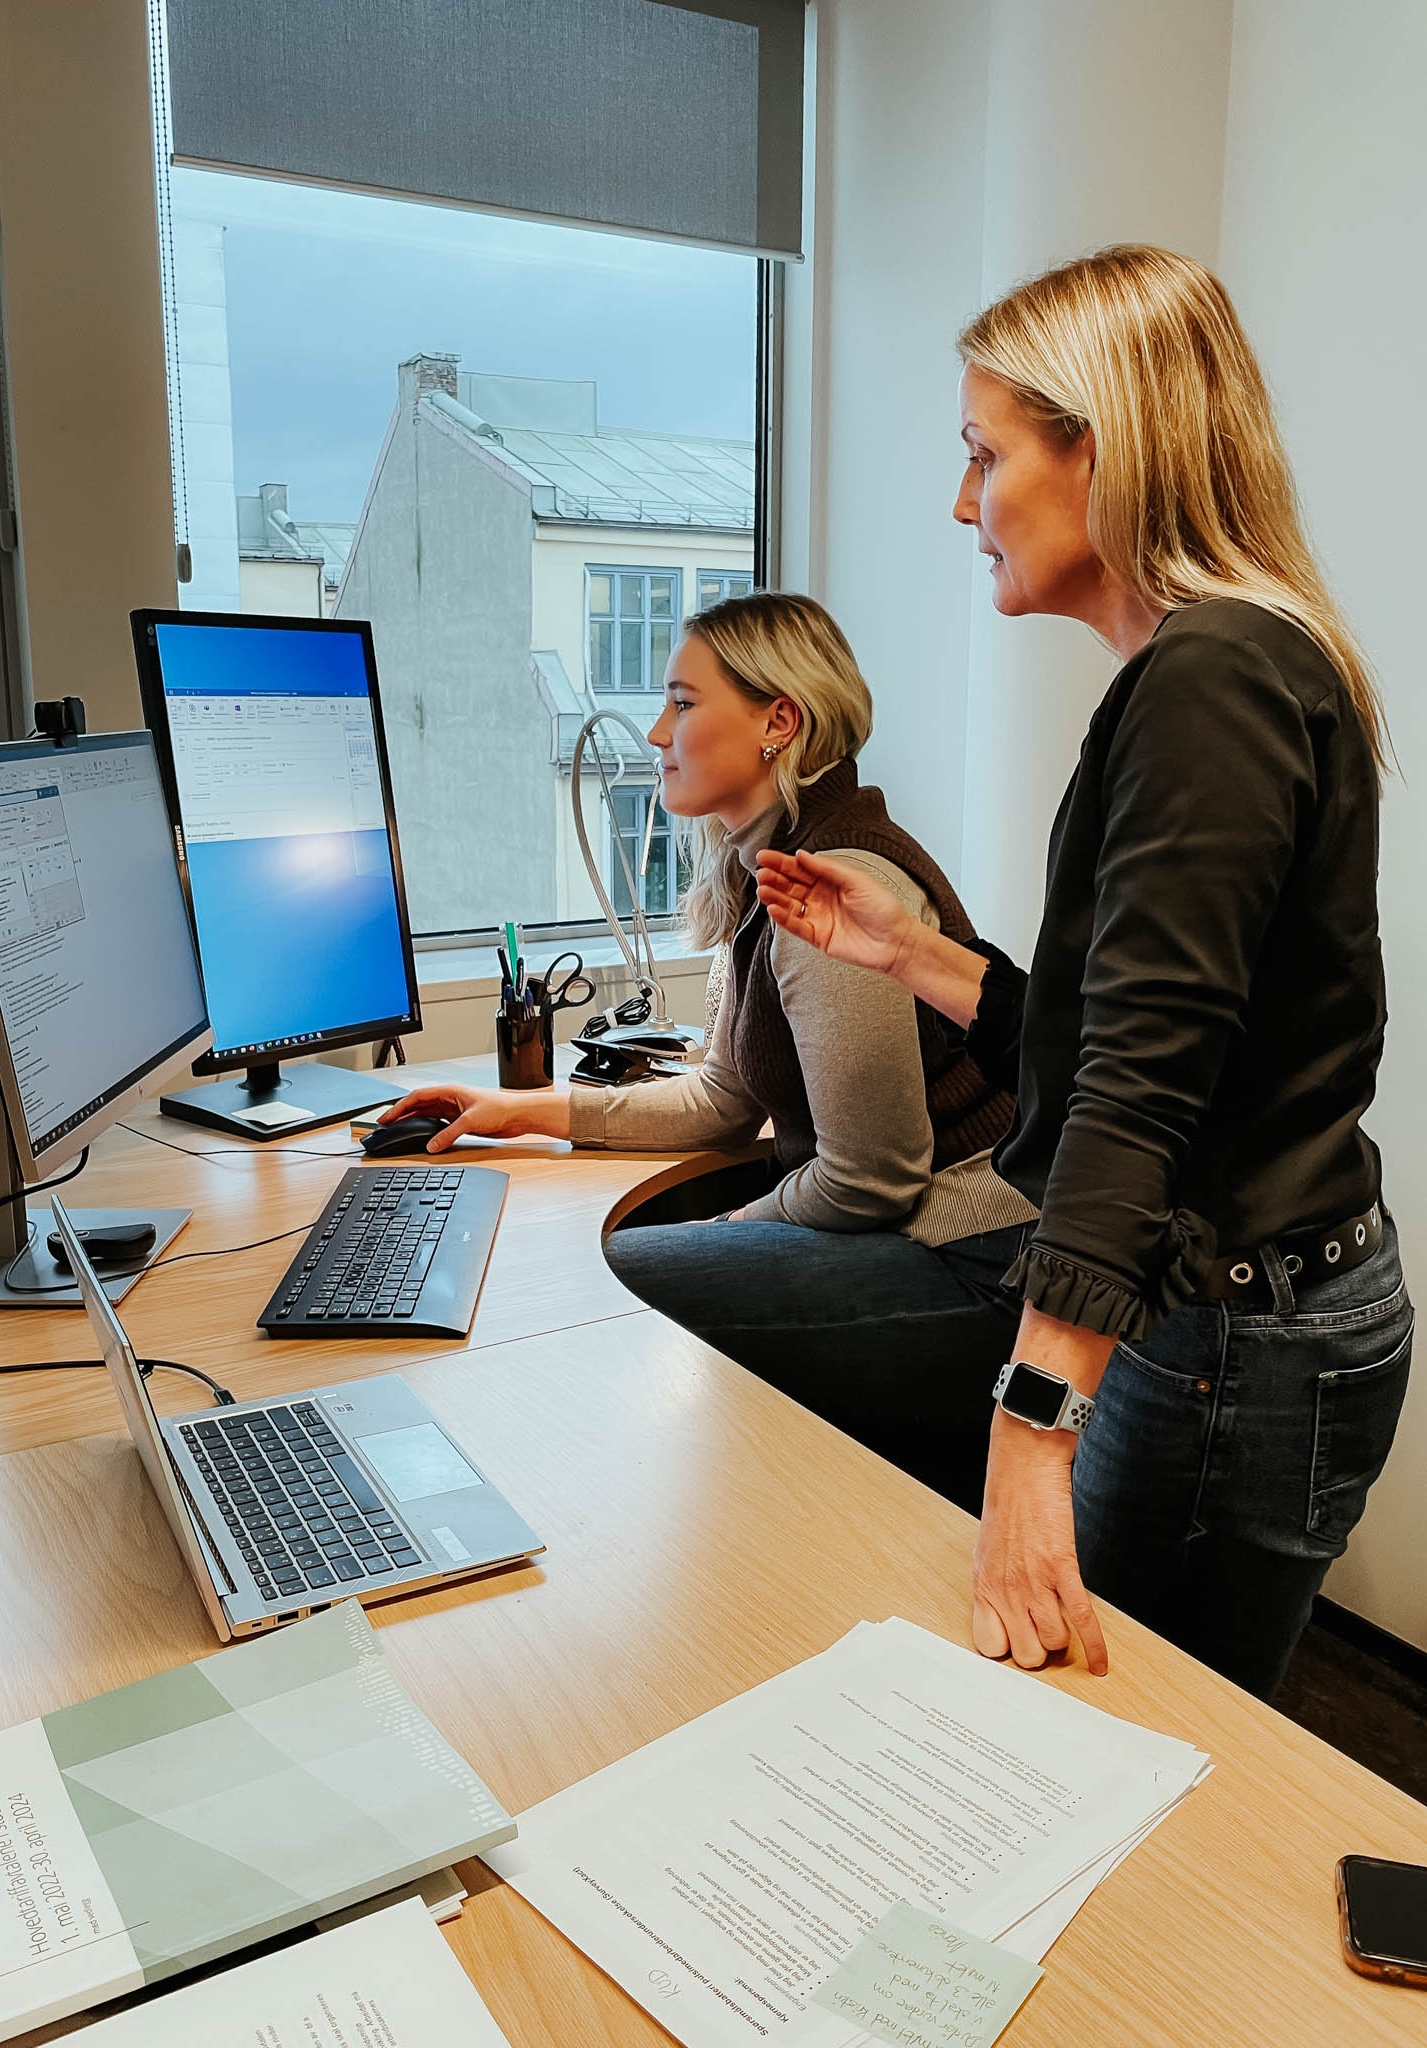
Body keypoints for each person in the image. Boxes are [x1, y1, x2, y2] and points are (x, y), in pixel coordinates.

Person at [756, 245, 1411, 1701]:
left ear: (1099, 449)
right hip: (1247, 1313)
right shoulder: (1227, 664)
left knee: (1117, 1747)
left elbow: (1146, 1082)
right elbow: (1148, 1031)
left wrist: (1029, 1420)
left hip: (1235, 1338)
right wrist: (912, 953)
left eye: (982, 454)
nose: (959, 501)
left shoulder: (1213, 676)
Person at [379, 591, 1035, 1509]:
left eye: (682, 704)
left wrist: (721, 1235)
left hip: (970, 1257)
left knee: (603, 1276)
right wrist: (521, 1113)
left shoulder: (831, 892)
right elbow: (723, 1097)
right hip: (910, 1230)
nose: (655, 733)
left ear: (779, 721)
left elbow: (872, 1179)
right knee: (613, 1258)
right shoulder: (768, 869)